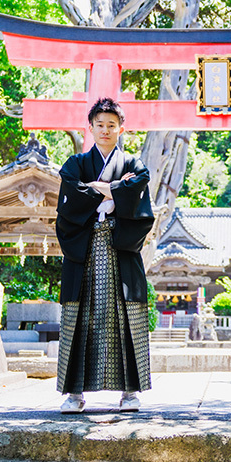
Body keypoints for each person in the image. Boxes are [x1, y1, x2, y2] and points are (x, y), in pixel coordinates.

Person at [55, 97, 155, 413]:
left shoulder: (132, 164)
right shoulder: (75, 164)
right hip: (85, 249)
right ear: (91, 127)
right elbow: (70, 194)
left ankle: (129, 392)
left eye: (112, 125)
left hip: (119, 249)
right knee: (79, 318)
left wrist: (99, 188)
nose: (106, 130)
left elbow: (140, 183)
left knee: (127, 318)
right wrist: (115, 190)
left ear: (120, 128)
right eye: (100, 125)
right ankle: (74, 394)